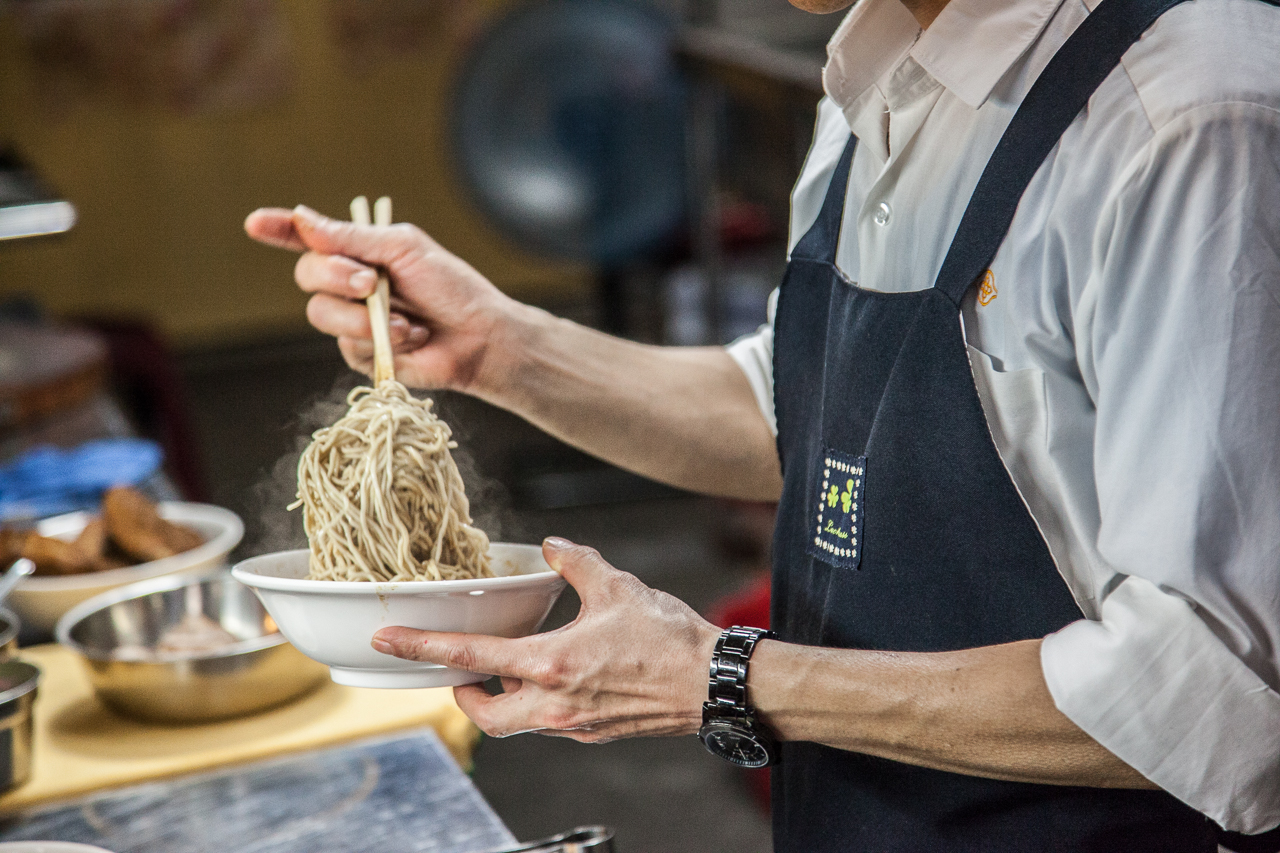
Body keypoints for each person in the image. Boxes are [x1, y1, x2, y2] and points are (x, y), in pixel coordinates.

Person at [245, 0, 1280, 847]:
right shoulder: (874, 69)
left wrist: (724, 676)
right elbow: (809, 416)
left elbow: (1214, 688)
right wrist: (502, 348)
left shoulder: (1187, 117)